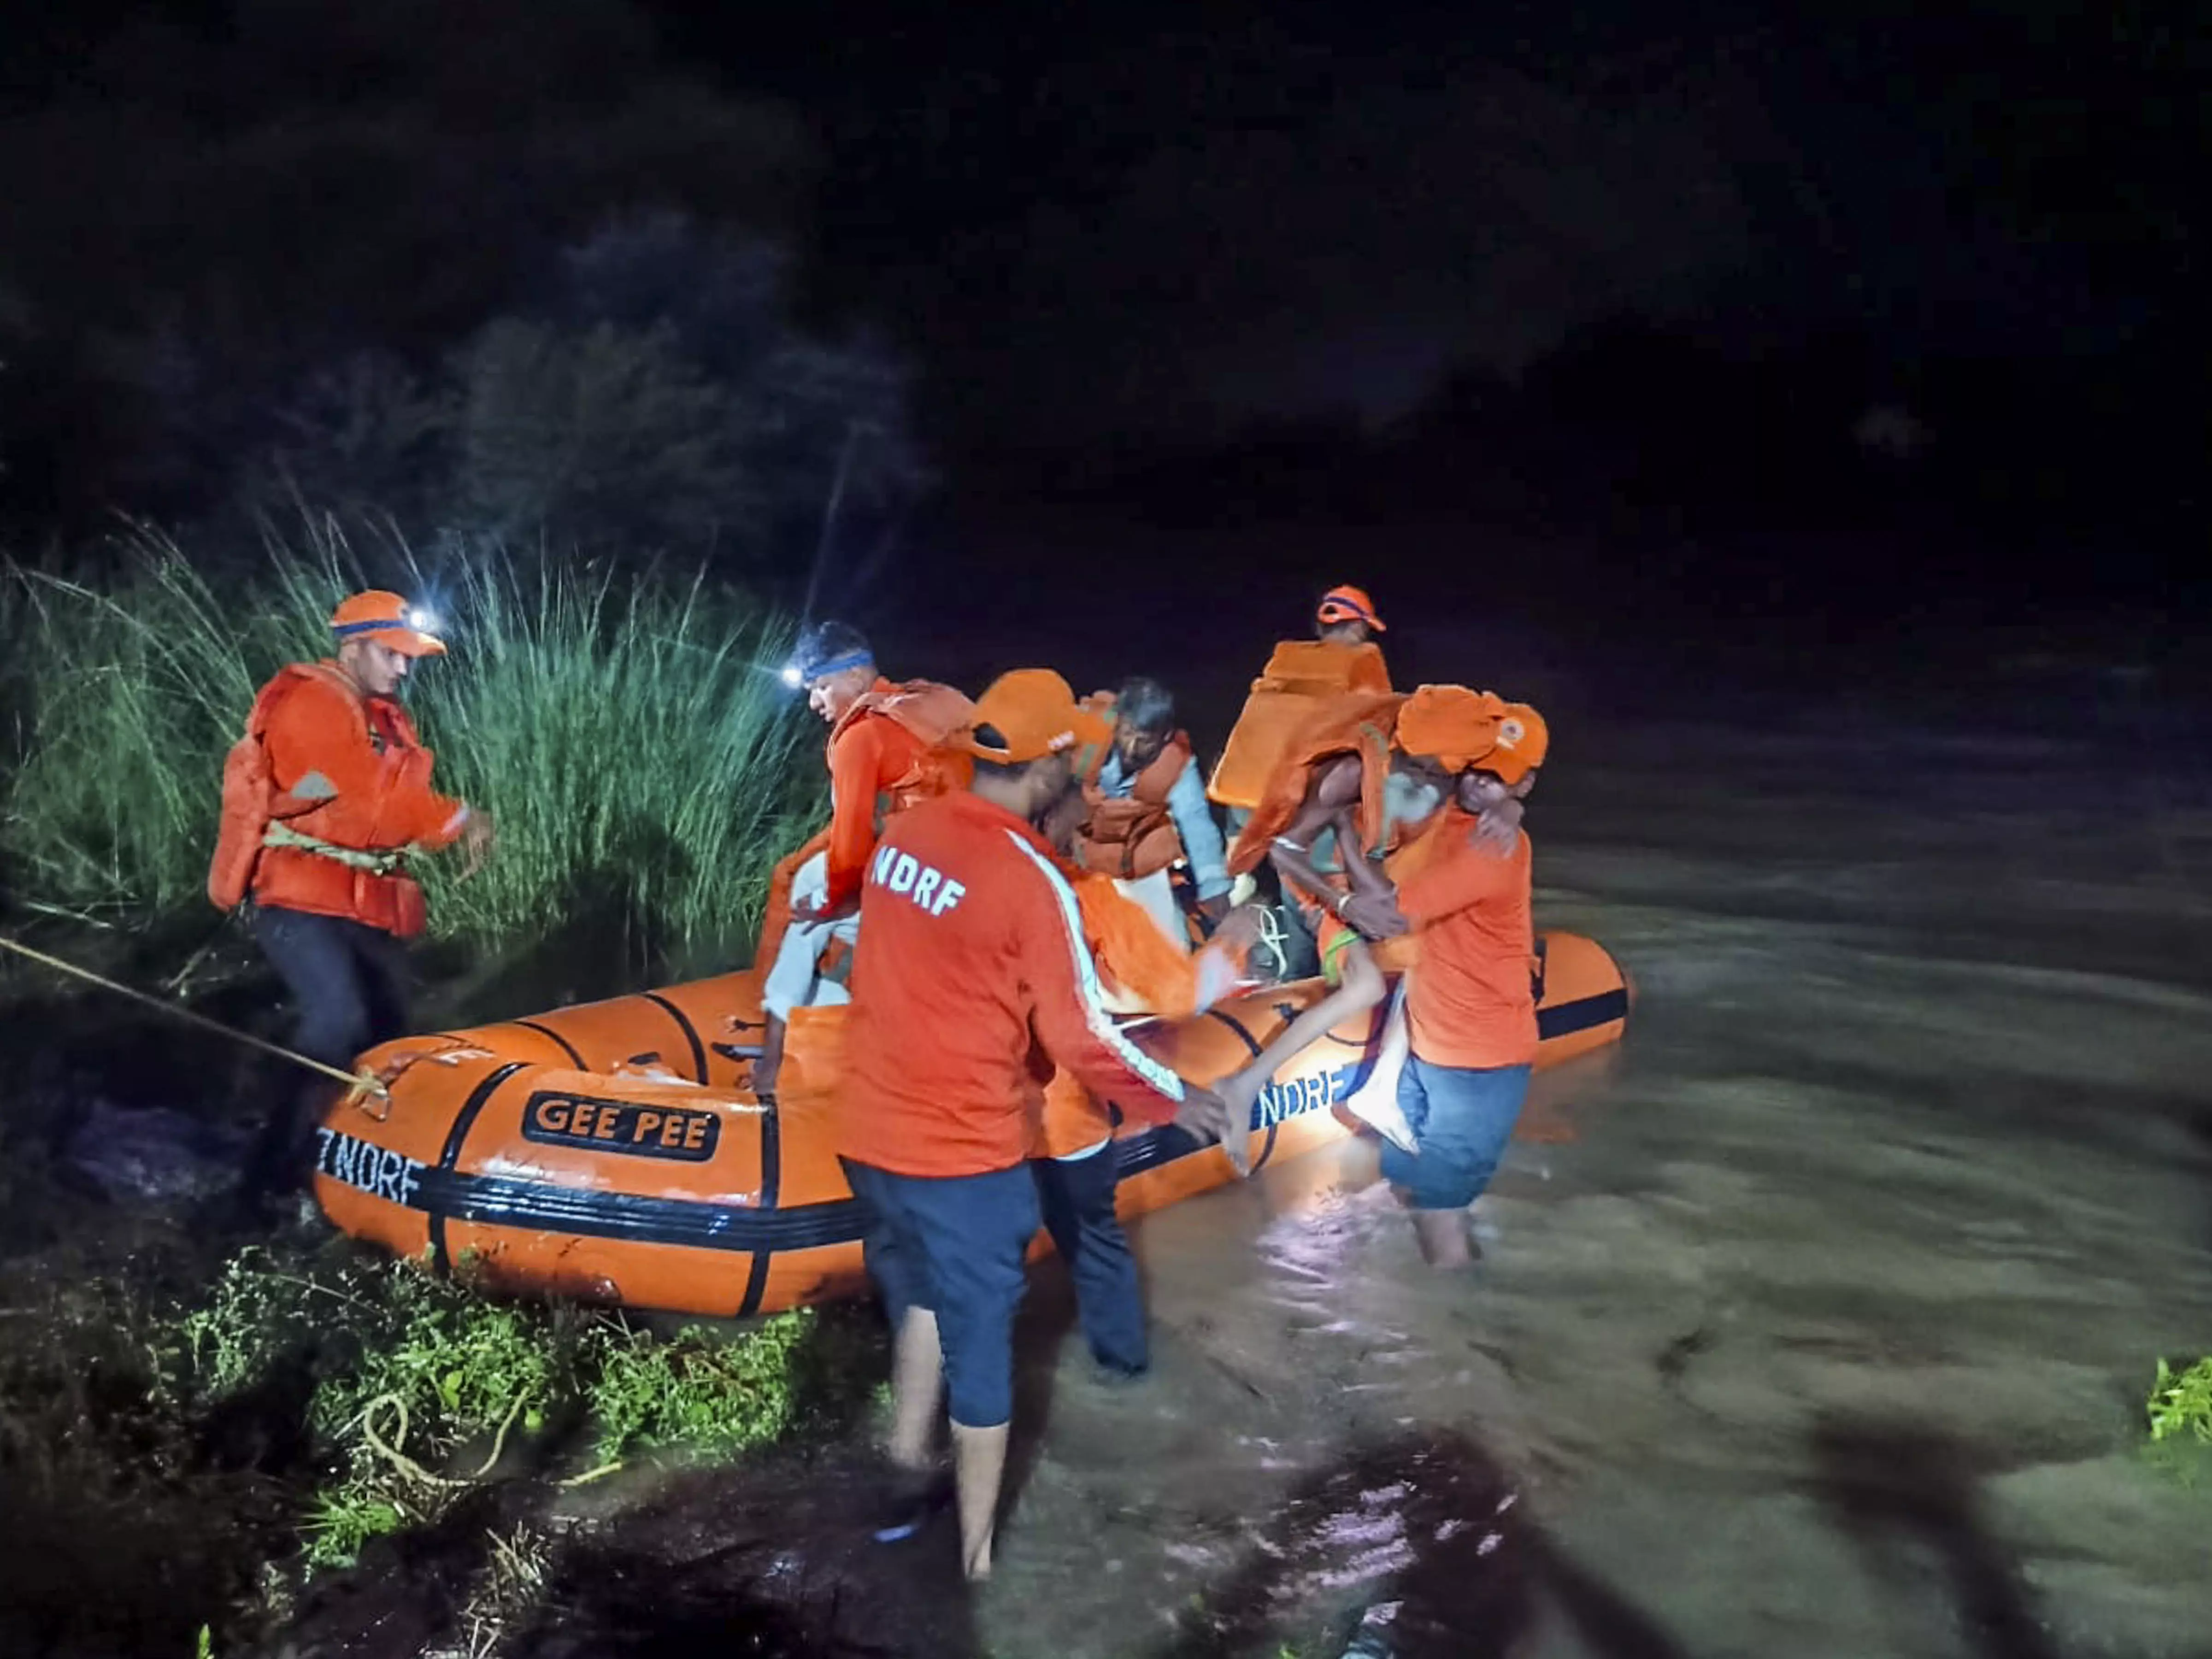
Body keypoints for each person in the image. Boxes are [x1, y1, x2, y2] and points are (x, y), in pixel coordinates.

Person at [835, 669, 1238, 1580]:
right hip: (962, 1152)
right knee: (985, 1349)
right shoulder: (1032, 881)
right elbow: (1082, 1036)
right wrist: (1177, 1098)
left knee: (924, 1304)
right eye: (1073, 752)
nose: (1083, 766)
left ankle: (904, 1479)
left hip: (870, 1135)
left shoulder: (906, 832)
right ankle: (977, 1564)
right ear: (1050, 760)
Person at [207, 590, 494, 1218]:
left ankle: (350, 1172)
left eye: (409, 659)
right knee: (338, 1022)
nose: (403, 670)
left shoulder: (380, 713)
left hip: (359, 901)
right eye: (392, 655)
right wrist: (460, 819)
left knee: (389, 1037)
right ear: (354, 647)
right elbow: (373, 809)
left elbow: (379, 806)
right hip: (298, 897)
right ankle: (263, 1183)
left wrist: (448, 818)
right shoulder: (313, 705)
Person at [1033, 771, 1263, 1381]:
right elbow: (1176, 995)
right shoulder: (1084, 896)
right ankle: (1122, 1372)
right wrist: (1235, 940)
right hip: (1060, 1118)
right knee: (1097, 1245)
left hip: (973, 1114)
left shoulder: (954, 872)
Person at [751, 621, 972, 1101]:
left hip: (912, 892)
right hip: (960, 883)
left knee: (806, 907)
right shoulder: (924, 710)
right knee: (822, 892)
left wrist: (831, 903)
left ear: (854, 676)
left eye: (821, 688)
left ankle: (771, 1063)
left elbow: (850, 845)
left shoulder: (861, 738)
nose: (815, 704)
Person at [1363, 702, 1549, 1268]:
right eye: (1475, 766)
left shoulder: (1495, 847)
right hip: (1426, 1050)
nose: (1476, 782)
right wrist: (1508, 804)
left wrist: (1302, 864)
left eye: (1498, 778)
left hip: (1479, 1066)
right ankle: (1440, 1302)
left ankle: (1463, 1344)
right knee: (1404, 1188)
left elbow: (1391, 915)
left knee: (1439, 1215)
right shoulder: (1454, 816)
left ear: (1528, 782)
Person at [1206, 584, 1394, 844]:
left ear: (1319, 628)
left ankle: (1240, 867)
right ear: (1358, 627)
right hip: (1294, 809)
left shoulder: (1283, 658)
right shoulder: (1365, 661)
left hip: (1241, 805)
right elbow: (1381, 730)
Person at [1071, 675, 1233, 945]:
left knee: (1171, 948)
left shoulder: (1177, 766)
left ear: (1165, 737)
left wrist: (1214, 889)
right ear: (1117, 723)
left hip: (1136, 865)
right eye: (1127, 734)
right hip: (1078, 856)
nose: (1131, 749)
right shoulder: (1086, 734)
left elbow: (1197, 824)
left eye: (1144, 741)